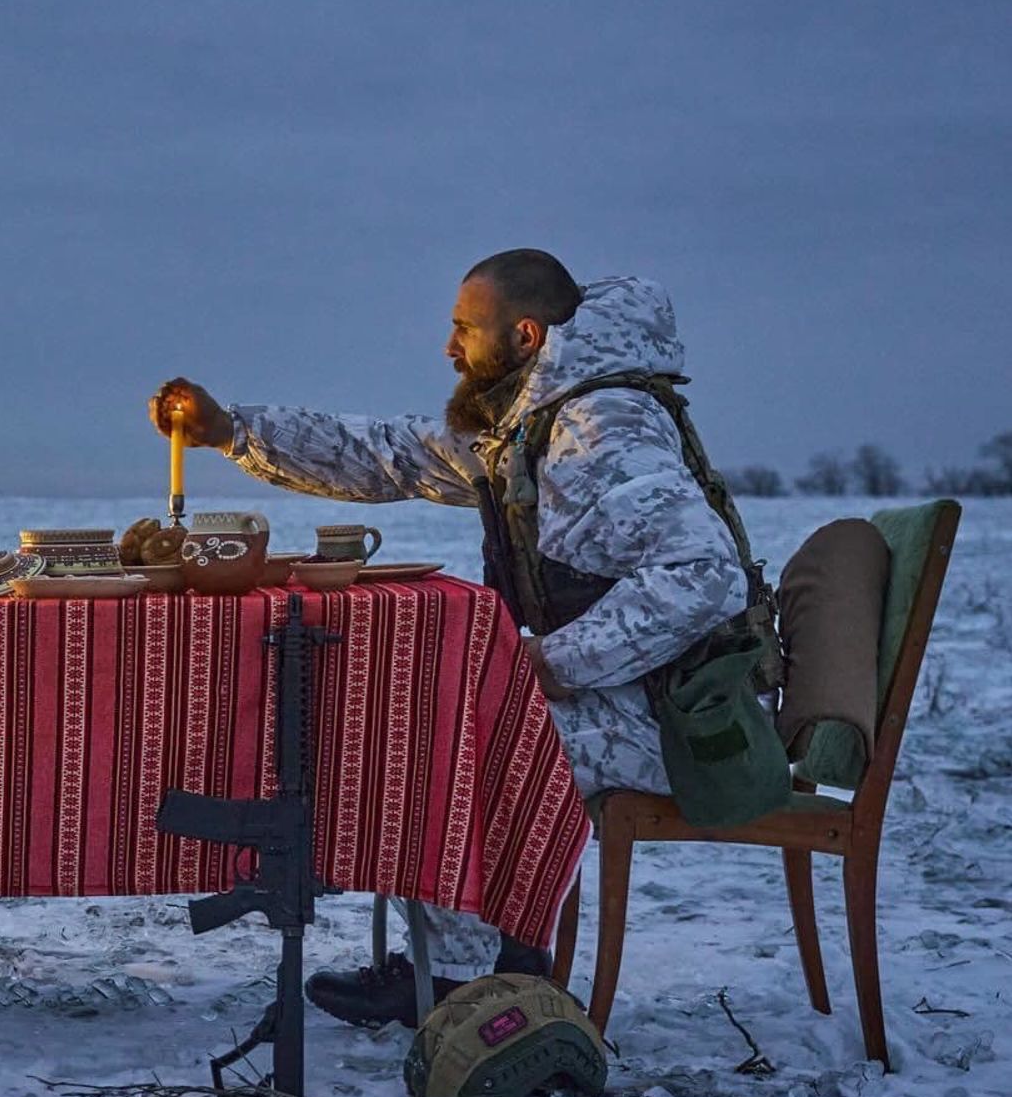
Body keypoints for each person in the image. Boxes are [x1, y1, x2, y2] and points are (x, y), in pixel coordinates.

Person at [148, 248, 753, 1028]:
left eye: (465, 329)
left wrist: (553, 662)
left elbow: (704, 575)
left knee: (447, 740)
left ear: (526, 334)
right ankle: (479, 966)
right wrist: (233, 430)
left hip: (687, 727)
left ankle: (465, 979)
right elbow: (391, 455)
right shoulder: (535, 423)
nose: (449, 348)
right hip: (641, 701)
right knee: (438, 717)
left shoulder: (602, 429)